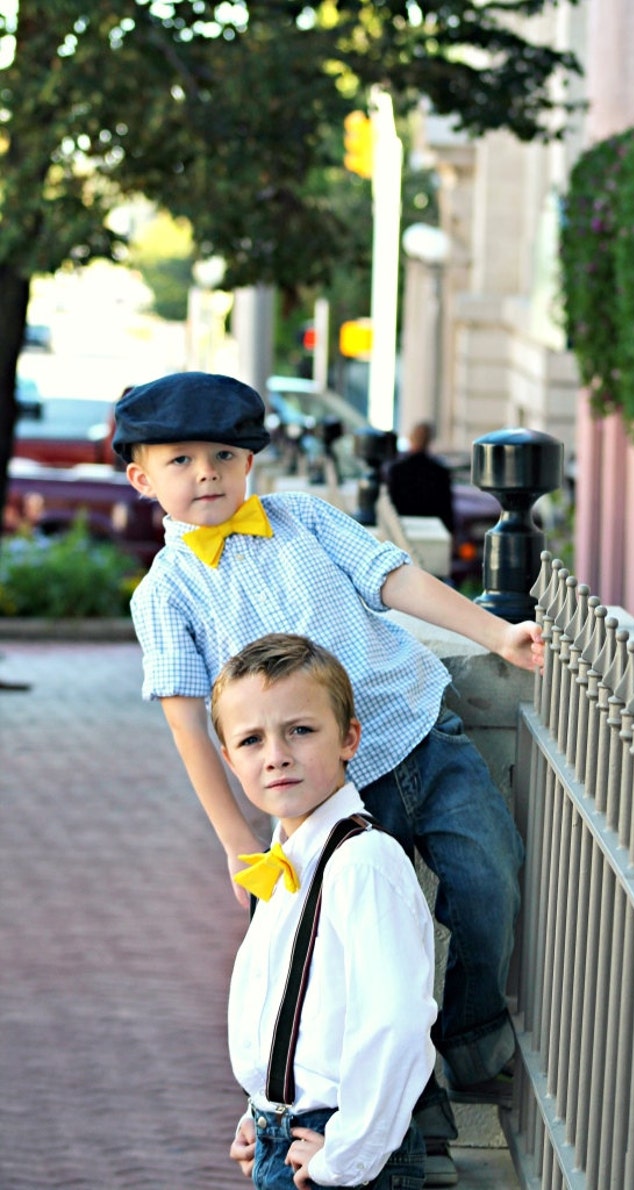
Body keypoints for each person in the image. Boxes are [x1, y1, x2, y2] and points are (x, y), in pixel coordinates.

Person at [113, 371, 543, 1187]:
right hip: (326, 797)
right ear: (142, 478)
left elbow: (395, 580)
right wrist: (238, 843)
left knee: (490, 879)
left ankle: (466, 1044)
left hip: (420, 736)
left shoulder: (304, 519)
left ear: (250, 462)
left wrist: (497, 633)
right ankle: (406, 1123)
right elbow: (187, 723)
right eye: (179, 460)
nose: (205, 472)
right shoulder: (165, 593)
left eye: (223, 454)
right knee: (348, 967)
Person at [212, 633, 436, 1189]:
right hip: (285, 1137)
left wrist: (347, 1155)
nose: (276, 755)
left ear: (349, 738)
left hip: (340, 1145)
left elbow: (395, 1022)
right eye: (250, 741)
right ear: (229, 760)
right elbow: (291, 1012)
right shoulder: (286, 861)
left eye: (300, 730)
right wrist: (259, 1110)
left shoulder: (362, 862)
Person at [385, 421, 455, 534]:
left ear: (411, 438)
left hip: (404, 529)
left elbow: (391, 505)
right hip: (432, 531)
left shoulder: (397, 470)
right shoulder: (440, 472)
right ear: (429, 441)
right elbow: (446, 510)